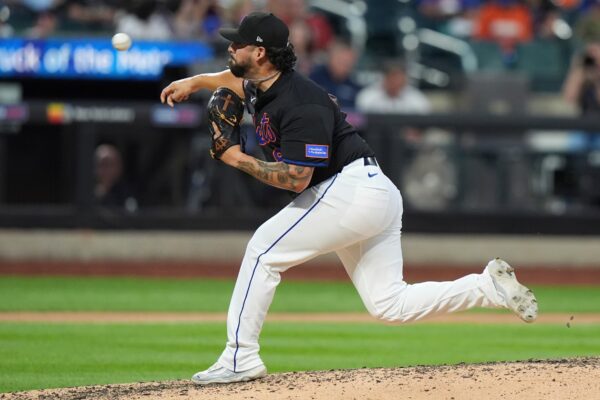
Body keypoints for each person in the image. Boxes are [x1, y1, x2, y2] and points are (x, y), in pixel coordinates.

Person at [160, 11, 538, 385]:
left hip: (350, 191)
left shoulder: (301, 102)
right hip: (372, 191)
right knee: (389, 304)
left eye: (238, 43)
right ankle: (485, 287)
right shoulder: (265, 80)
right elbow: (236, 82)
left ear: (259, 53)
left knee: (262, 251)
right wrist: (195, 82)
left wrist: (236, 158)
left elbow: (296, 179)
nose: (231, 46)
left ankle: (240, 357)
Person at [356, 60, 431, 115]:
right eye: (393, 77)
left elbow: (424, 122)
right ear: (385, 78)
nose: (396, 82)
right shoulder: (368, 95)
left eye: (399, 78)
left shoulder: (416, 98)